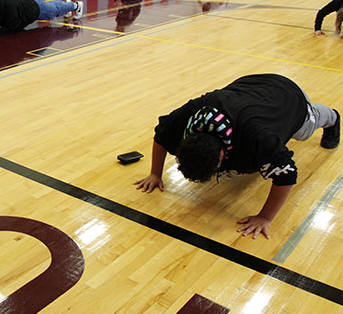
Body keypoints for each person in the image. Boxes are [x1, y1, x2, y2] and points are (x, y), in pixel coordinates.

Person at [134, 74, 340, 239]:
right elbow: (161, 134)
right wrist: (155, 174)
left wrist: (265, 217)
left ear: (222, 153)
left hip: (289, 97)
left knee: (306, 129)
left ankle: (333, 117)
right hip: (249, 85)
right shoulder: (186, 117)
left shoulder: (260, 139)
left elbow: (287, 174)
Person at [0, 0, 83, 36]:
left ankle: (75, 5)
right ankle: (67, 4)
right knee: (49, 6)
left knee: (53, 12)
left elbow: (13, 27)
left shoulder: (9, 9)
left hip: (34, 8)